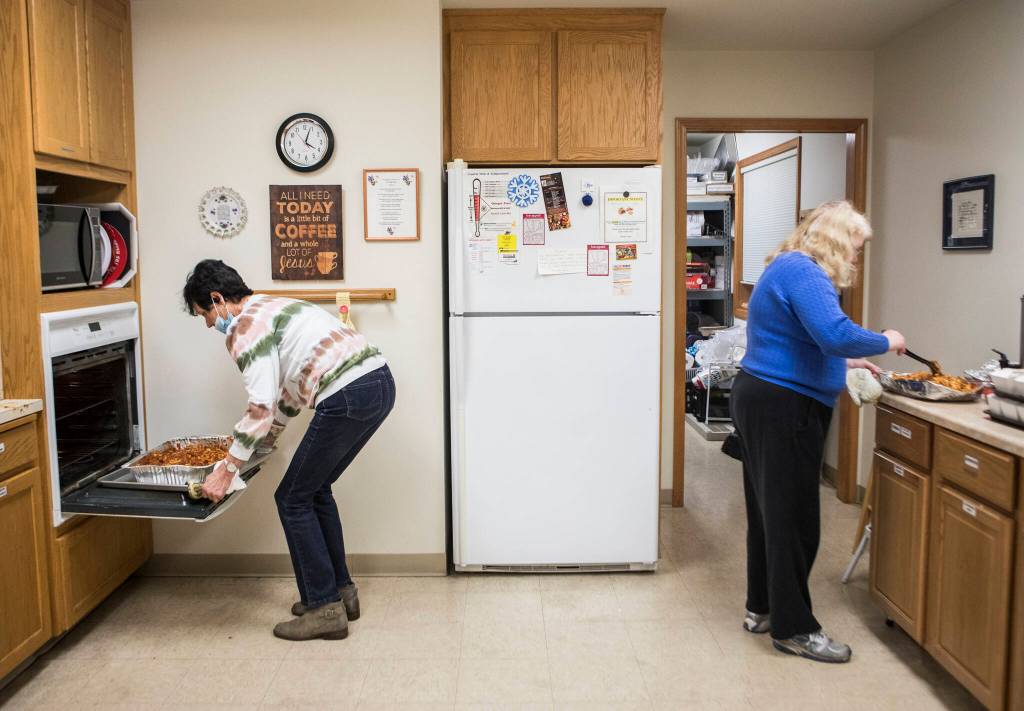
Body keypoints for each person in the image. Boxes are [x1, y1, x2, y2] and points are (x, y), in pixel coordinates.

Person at [730, 201, 906, 663]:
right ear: (837, 239)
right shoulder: (805, 271)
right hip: (784, 407)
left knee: (770, 514)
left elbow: (798, 337)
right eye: (856, 247)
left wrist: (844, 362)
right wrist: (887, 340)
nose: (856, 258)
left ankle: (762, 609)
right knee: (795, 522)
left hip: (763, 397)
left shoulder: (786, 267)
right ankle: (795, 629)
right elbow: (834, 332)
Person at [182, 260, 394, 641]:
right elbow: (290, 396)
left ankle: (323, 609)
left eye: (205, 314)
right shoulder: (275, 307)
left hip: (346, 393)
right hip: (377, 383)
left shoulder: (245, 328)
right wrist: (266, 439)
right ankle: (340, 595)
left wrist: (227, 467)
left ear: (217, 299)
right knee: (314, 490)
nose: (209, 325)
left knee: (292, 499)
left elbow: (260, 403)